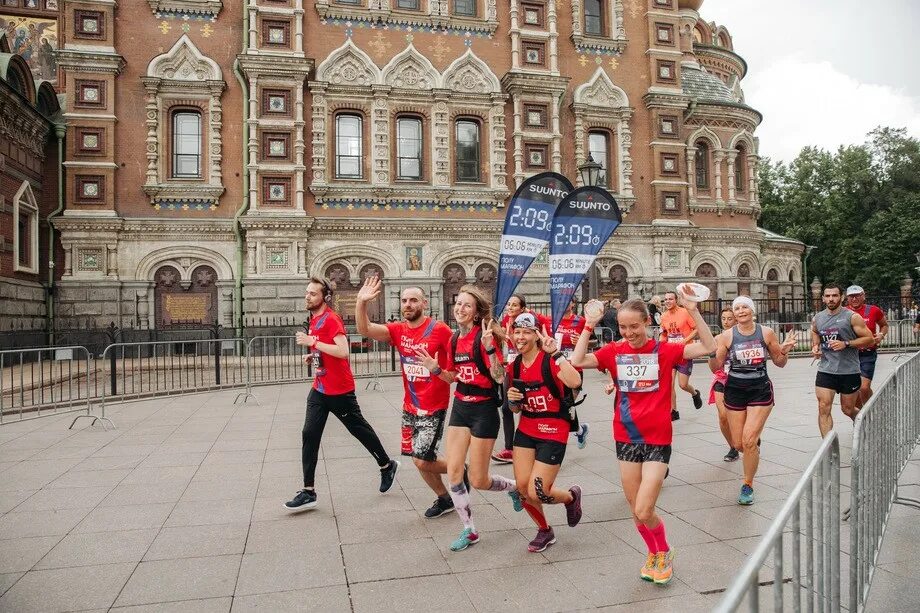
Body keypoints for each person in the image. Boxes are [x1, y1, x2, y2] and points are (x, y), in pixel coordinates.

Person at [571, 290, 716, 585]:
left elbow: (708, 346)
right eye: (623, 327)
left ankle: (664, 550)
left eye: (634, 326)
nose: (628, 333)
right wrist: (589, 324)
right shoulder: (613, 351)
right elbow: (577, 360)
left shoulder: (665, 351)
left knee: (644, 508)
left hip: (657, 438)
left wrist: (693, 311)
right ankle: (654, 554)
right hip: (625, 437)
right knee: (635, 509)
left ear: (648, 323)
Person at [285, 278, 399, 511]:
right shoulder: (314, 319)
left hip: (340, 390)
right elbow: (325, 349)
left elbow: (343, 351)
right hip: (320, 387)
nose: (307, 297)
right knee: (309, 434)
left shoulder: (331, 319)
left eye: (312, 294)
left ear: (325, 297)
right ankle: (308, 491)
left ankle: (386, 465)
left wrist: (313, 341)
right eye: (306, 292)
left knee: (359, 430)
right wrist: (313, 354)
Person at [417, 285, 517, 551]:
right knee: (454, 471)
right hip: (461, 406)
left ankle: (513, 487)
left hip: (484, 410)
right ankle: (469, 530)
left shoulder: (483, 338)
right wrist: (436, 369)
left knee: (480, 480)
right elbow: (452, 377)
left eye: (466, 306)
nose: (459, 309)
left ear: (475, 314)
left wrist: (491, 349)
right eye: (457, 304)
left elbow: (498, 377)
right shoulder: (452, 340)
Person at [355, 277, 455, 518]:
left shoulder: (440, 330)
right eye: (404, 301)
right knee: (417, 458)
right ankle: (445, 499)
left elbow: (453, 376)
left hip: (434, 407)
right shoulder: (398, 330)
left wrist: (436, 369)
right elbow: (364, 329)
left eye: (413, 300)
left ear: (424, 303)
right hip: (410, 406)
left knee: (421, 460)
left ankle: (463, 470)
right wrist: (361, 302)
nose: (408, 305)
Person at [505, 313, 584, 552]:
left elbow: (574, 381)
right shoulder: (515, 365)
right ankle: (544, 530)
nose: (520, 337)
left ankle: (570, 497)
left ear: (537, 335)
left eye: (526, 332)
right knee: (522, 489)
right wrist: (512, 400)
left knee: (538, 491)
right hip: (527, 429)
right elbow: (515, 407)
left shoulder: (549, 360)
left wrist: (557, 354)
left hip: (553, 428)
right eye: (517, 332)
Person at [714, 297, 797, 505]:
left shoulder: (766, 333)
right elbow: (716, 367)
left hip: (760, 390)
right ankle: (751, 446)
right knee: (738, 443)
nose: (740, 311)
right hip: (734, 390)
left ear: (752, 311)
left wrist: (784, 350)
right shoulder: (726, 336)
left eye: (744, 307)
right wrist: (710, 352)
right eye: (737, 308)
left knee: (749, 440)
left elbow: (779, 363)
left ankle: (748, 484)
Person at [493, 294, 551, 463]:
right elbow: (508, 345)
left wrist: (512, 336)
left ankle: (537, 445)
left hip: (531, 366)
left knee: (531, 407)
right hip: (512, 367)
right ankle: (510, 449)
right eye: (508, 304)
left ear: (523, 308)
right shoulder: (506, 321)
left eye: (514, 305)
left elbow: (528, 344)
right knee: (507, 407)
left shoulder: (531, 319)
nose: (510, 307)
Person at [811, 283, 875, 436]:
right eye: (828, 296)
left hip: (849, 370)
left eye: (834, 295)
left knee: (847, 409)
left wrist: (846, 343)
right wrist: (816, 346)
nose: (831, 299)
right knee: (823, 406)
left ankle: (861, 421)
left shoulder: (851, 317)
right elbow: (815, 331)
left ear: (842, 297)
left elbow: (870, 339)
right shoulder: (818, 318)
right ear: (823, 298)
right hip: (826, 370)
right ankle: (828, 449)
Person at [659, 291, 703, 421]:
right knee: (669, 384)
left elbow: (696, 329)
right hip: (670, 353)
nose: (667, 301)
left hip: (685, 352)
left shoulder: (684, 312)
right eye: (665, 299)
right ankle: (673, 411)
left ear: (676, 300)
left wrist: (684, 340)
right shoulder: (664, 316)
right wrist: (661, 342)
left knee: (683, 385)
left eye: (670, 299)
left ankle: (695, 393)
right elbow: (664, 333)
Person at [844, 285, 889, 409]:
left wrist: (881, 334)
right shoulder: (843, 312)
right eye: (851, 296)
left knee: (864, 387)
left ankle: (870, 409)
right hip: (849, 355)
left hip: (867, 353)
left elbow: (884, 325)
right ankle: (860, 415)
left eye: (857, 295)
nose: (854, 299)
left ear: (864, 296)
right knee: (855, 390)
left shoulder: (873, 310)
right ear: (847, 298)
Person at [555, 299, 591, 449]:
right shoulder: (553, 320)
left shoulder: (581, 321)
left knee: (566, 406)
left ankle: (557, 440)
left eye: (568, 302)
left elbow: (590, 343)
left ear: (573, 304)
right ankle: (580, 430)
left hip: (575, 369)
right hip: (557, 369)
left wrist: (579, 343)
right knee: (560, 407)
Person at [708, 307, 738, 462]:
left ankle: (750, 436)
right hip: (721, 378)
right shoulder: (717, 338)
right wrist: (711, 353)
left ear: (736, 319)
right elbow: (712, 365)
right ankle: (733, 447)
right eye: (723, 318)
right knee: (723, 416)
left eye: (730, 318)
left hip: (740, 379)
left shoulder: (741, 337)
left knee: (741, 415)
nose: (726, 322)